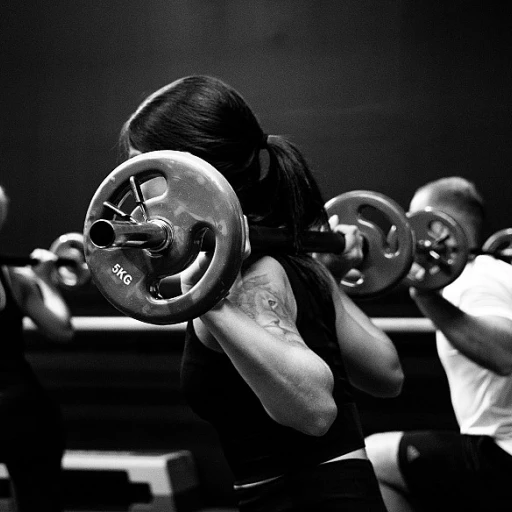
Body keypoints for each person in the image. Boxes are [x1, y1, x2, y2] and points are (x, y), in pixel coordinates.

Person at [118, 74, 404, 511]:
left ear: (192, 170)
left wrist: (205, 299)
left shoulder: (247, 281)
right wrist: (325, 281)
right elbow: (385, 375)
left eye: (144, 168)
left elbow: (315, 410)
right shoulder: (302, 264)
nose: (132, 191)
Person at [365, 176, 512, 512]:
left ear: (439, 227)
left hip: (503, 452)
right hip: (495, 450)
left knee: (372, 459)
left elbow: (504, 355)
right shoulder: (497, 271)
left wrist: (423, 293)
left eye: (414, 218)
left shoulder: (476, 280)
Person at [0, 185, 74, 512]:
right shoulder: (14, 278)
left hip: (19, 412)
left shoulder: (14, 276)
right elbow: (62, 328)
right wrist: (45, 280)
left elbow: (61, 333)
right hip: (19, 407)